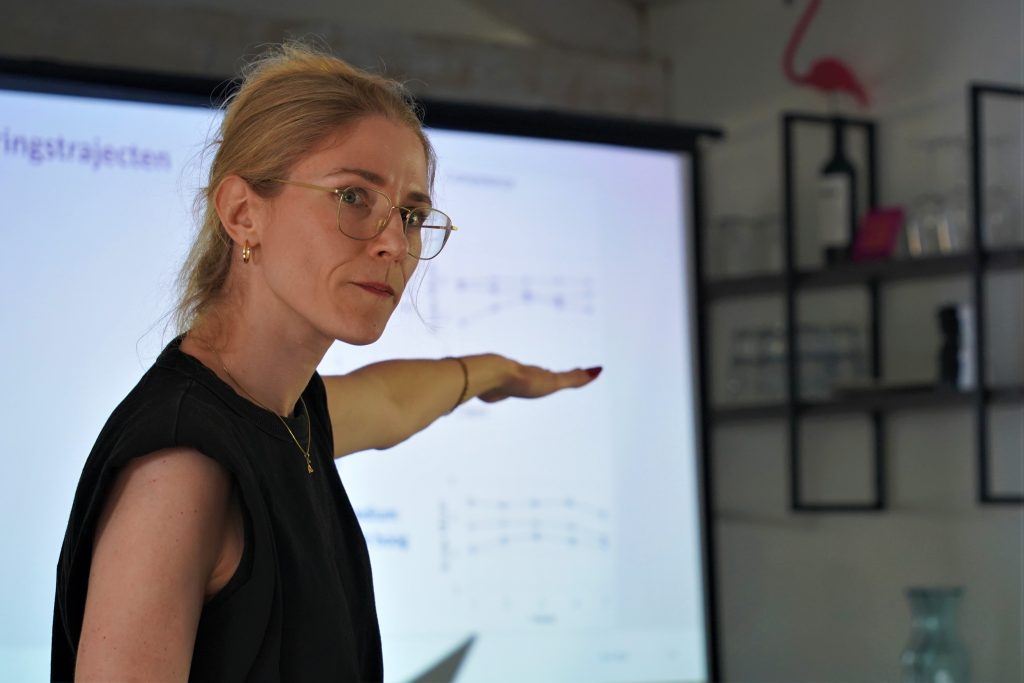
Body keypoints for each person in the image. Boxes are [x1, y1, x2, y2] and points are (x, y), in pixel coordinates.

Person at [51, 43, 600, 682]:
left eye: (412, 215)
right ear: (243, 214)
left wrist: (495, 374)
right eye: (352, 196)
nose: (393, 243)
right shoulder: (182, 469)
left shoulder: (283, 410)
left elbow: (391, 401)